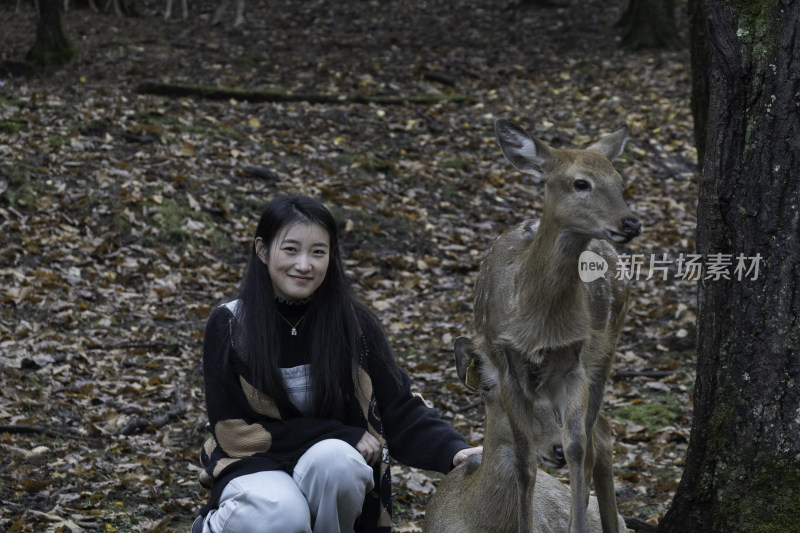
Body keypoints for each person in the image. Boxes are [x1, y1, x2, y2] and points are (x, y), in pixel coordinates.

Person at [192, 195, 482, 533]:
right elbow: (233, 432)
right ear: (262, 250)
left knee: (339, 462)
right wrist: (340, 433)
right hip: (253, 465)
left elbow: (398, 406)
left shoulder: (353, 324)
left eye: (318, 252)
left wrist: (453, 451)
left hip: (321, 465)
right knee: (284, 512)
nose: (304, 264)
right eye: (290, 250)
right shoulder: (230, 324)